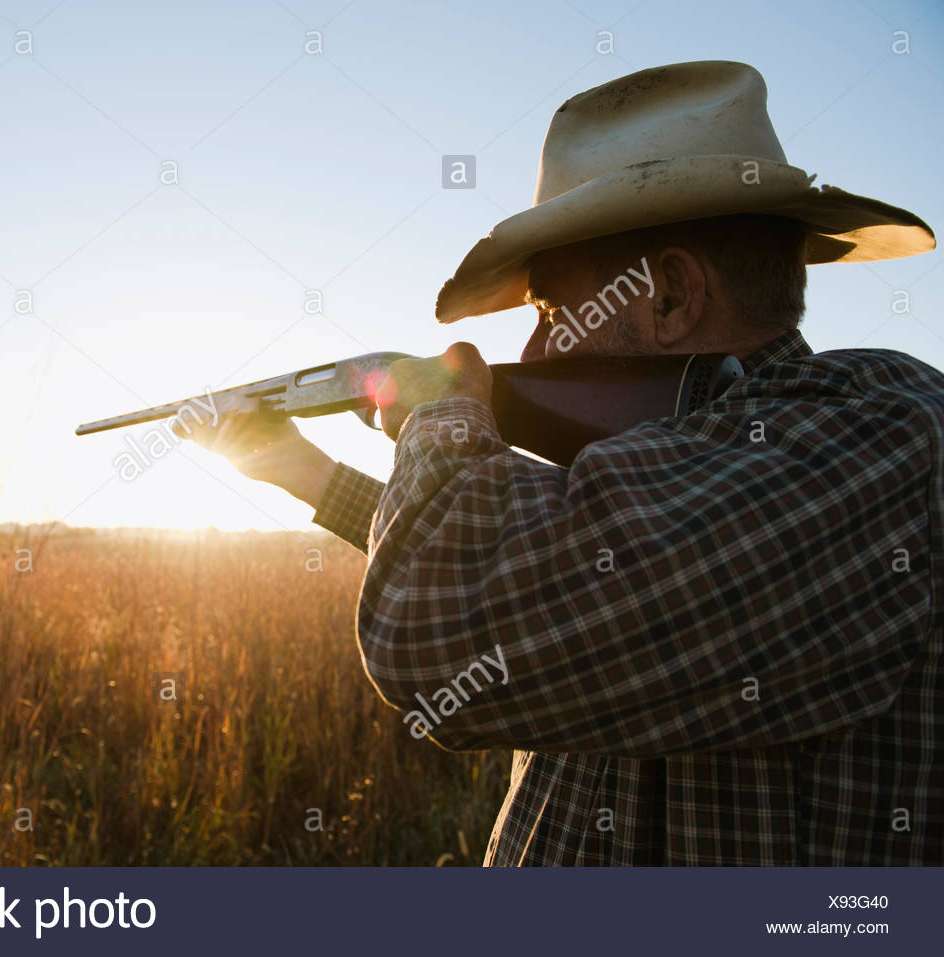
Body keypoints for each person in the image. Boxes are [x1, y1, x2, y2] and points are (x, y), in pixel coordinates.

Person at [183, 61, 941, 865]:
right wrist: (296, 469)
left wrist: (443, 407)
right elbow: (538, 561)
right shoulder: (685, 469)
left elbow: (432, 632)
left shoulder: (878, 432)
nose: (534, 350)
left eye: (551, 311)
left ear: (670, 297)